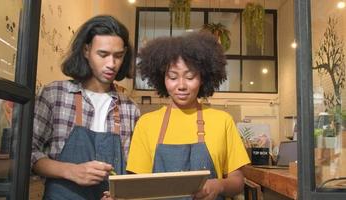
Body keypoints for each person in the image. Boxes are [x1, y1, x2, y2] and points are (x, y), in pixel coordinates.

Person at [126, 32, 250, 200]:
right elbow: (136, 185)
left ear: (202, 78)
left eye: (190, 76)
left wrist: (219, 185)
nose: (182, 85)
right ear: (162, 79)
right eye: (173, 77)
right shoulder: (146, 124)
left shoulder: (223, 121)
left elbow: (238, 181)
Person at [31, 15, 140, 200]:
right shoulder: (54, 94)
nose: (111, 64)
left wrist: (122, 193)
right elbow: (28, 153)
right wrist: (70, 171)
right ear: (86, 50)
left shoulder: (130, 109)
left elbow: (133, 170)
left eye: (118, 56)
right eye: (103, 54)